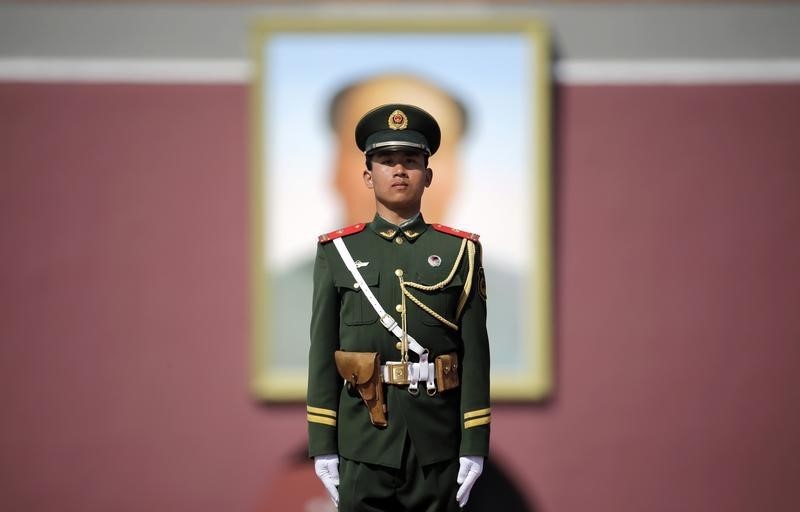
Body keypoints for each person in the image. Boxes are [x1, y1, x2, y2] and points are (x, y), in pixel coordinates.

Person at [306, 103, 491, 511]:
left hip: (436, 446)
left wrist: (474, 442)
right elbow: (322, 354)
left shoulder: (461, 251)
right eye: (387, 161)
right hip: (363, 443)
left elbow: (475, 356)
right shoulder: (338, 251)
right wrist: (323, 445)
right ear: (368, 176)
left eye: (410, 160)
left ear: (429, 175)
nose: (400, 170)